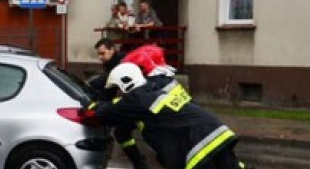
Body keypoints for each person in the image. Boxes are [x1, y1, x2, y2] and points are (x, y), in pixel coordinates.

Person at [87, 64, 245, 169]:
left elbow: (104, 113)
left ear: (125, 83)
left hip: (198, 141)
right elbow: (122, 127)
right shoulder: (152, 91)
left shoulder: (136, 99)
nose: (118, 93)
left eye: (117, 88)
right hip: (216, 130)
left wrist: (92, 106)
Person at [89, 38, 150, 169]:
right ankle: (139, 163)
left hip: (140, 101)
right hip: (136, 101)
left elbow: (106, 81)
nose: (100, 57)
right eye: (99, 54)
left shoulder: (122, 62)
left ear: (112, 50)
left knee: (145, 131)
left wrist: (90, 88)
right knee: (122, 133)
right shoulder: (112, 62)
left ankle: (141, 162)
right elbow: (109, 89)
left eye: (102, 53)